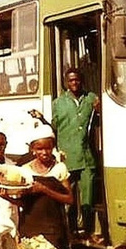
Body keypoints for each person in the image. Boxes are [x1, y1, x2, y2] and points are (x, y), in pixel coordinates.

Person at [18, 124, 74, 249]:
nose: (44, 152)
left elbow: (69, 199)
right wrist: (5, 196)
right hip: (29, 230)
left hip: (53, 230)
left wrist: (44, 189)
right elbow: (22, 201)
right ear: (32, 150)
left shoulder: (59, 169)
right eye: (39, 149)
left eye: (48, 148)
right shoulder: (24, 171)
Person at [51, 67, 100, 235]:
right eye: (71, 80)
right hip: (67, 157)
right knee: (68, 196)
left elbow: (100, 117)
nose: (74, 83)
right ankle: (70, 231)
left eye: (77, 80)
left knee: (88, 197)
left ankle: (88, 230)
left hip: (87, 157)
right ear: (66, 83)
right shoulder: (58, 103)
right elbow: (54, 128)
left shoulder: (91, 98)